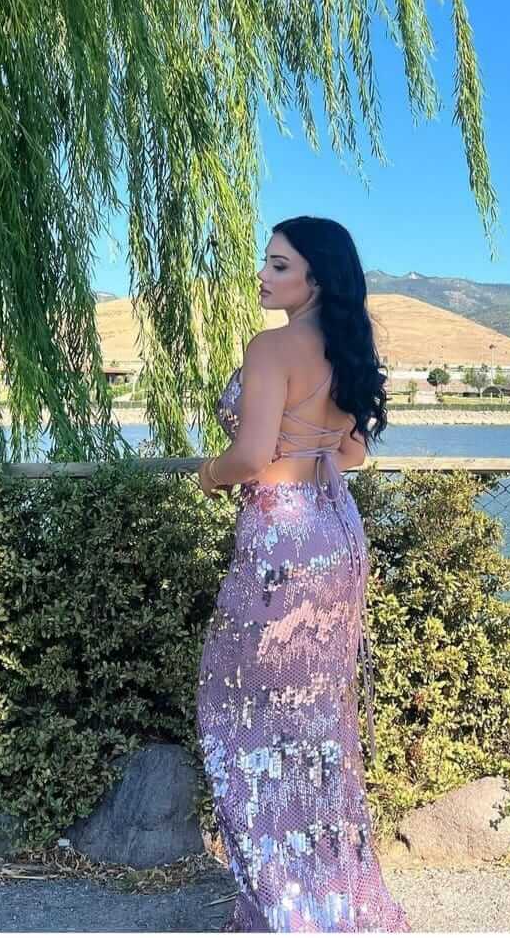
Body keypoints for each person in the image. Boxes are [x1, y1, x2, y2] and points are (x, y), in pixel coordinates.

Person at [194, 216, 410, 932]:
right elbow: (351, 454)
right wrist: (305, 450)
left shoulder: (271, 347)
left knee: (238, 708)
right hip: (335, 530)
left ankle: (286, 903)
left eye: (278, 265)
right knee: (318, 722)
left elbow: (251, 455)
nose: (262, 275)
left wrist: (209, 475)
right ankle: (328, 894)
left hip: (281, 535)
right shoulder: (349, 347)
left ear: (314, 278)